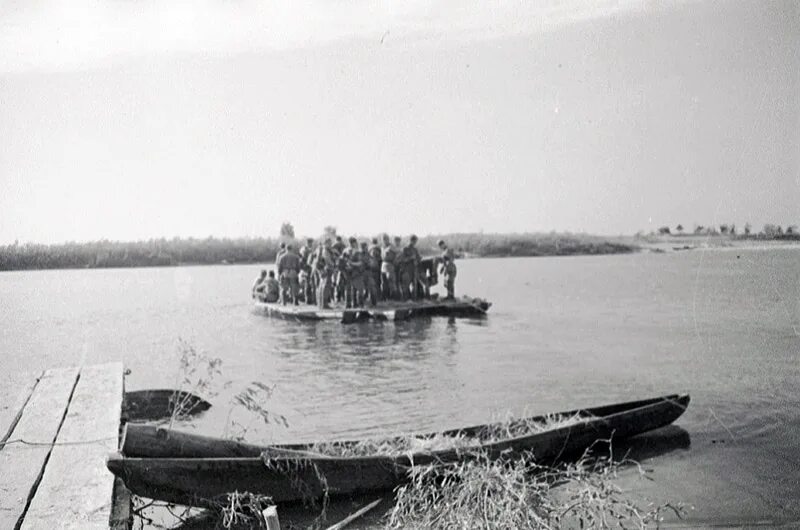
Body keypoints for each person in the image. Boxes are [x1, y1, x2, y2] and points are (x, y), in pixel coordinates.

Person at [312, 239, 335, 309]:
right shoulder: (325, 250)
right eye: (330, 243)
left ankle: (321, 304)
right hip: (326, 269)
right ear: (326, 243)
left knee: (322, 286)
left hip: (322, 269)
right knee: (326, 286)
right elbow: (327, 260)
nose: (331, 245)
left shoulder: (320, 249)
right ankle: (324, 304)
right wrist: (333, 264)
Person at [399, 235, 421, 300]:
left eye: (416, 242)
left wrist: (418, 259)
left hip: (414, 269)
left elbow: (418, 258)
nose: (415, 243)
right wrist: (410, 258)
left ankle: (414, 299)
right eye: (414, 241)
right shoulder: (405, 249)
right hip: (406, 270)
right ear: (411, 240)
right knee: (405, 285)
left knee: (415, 285)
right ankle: (405, 300)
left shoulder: (415, 249)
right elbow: (402, 259)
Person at [345, 237, 365, 308]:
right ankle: (359, 304)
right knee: (359, 288)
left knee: (349, 289)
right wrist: (352, 264)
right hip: (356, 272)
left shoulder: (345, 250)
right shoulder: (357, 252)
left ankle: (348, 304)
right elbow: (360, 263)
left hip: (347, 272)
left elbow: (343, 261)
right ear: (354, 243)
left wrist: (348, 264)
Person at [380, 234, 398, 301]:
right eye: (383, 239)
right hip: (383, 265)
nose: (384, 240)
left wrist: (394, 261)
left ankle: (394, 297)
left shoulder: (391, 246)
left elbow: (397, 254)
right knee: (384, 283)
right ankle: (385, 297)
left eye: (386, 239)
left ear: (388, 239)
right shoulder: (382, 247)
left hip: (390, 265)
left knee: (391, 282)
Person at [362, 241, 380, 307]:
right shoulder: (359, 254)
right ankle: (362, 304)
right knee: (363, 290)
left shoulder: (368, 255)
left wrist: (371, 264)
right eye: (364, 247)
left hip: (369, 273)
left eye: (365, 247)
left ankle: (374, 303)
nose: (365, 249)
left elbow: (374, 264)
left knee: (373, 288)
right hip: (362, 274)